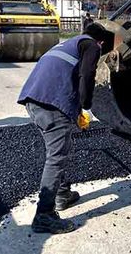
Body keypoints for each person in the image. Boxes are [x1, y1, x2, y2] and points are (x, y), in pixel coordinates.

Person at [17, 23, 114, 234]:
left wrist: (76, 108)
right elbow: (87, 75)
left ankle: (61, 193)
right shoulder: (92, 46)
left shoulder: (69, 43)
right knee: (56, 157)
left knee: (62, 148)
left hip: (33, 100)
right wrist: (86, 105)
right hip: (52, 104)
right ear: (101, 41)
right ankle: (44, 215)